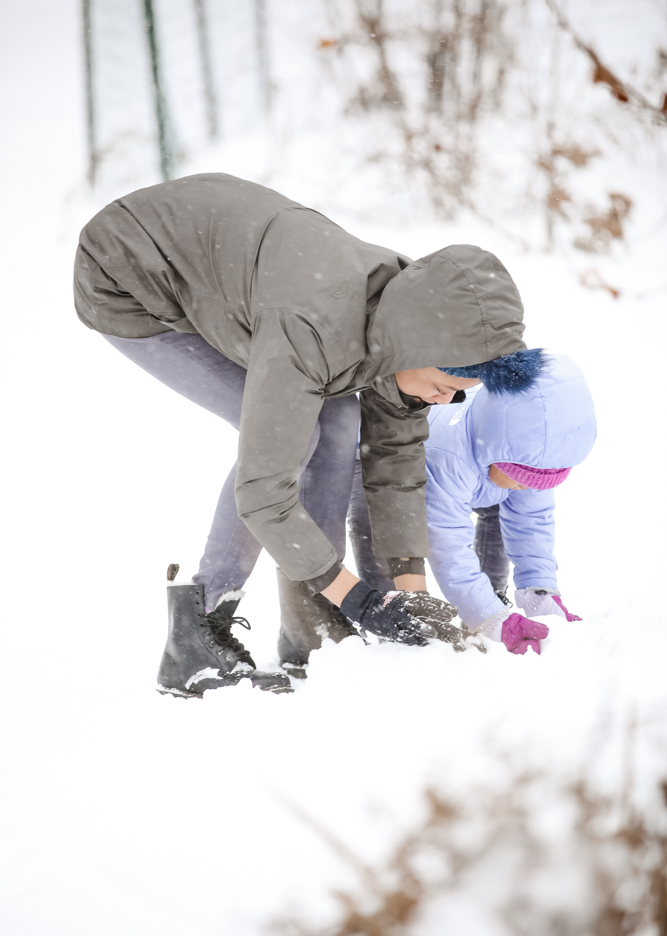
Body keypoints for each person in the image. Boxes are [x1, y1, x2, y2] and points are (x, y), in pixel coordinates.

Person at [73, 171, 537, 696]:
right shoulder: (312, 328)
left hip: (230, 260)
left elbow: (394, 457)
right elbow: (263, 490)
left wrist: (410, 589)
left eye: (458, 394)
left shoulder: (404, 321)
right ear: (418, 348)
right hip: (127, 269)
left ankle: (314, 623)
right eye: (441, 385)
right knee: (294, 439)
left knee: (338, 420)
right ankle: (199, 635)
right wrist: (357, 598)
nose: (444, 401)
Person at [347, 353, 596, 657]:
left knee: (504, 515)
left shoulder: (531, 452)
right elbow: (448, 543)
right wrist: (487, 617)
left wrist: (539, 589)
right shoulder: (450, 458)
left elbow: (531, 520)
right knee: (380, 537)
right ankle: (395, 622)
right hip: (383, 468)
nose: (527, 487)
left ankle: (491, 602)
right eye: (521, 478)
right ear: (499, 451)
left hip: (475, 472)